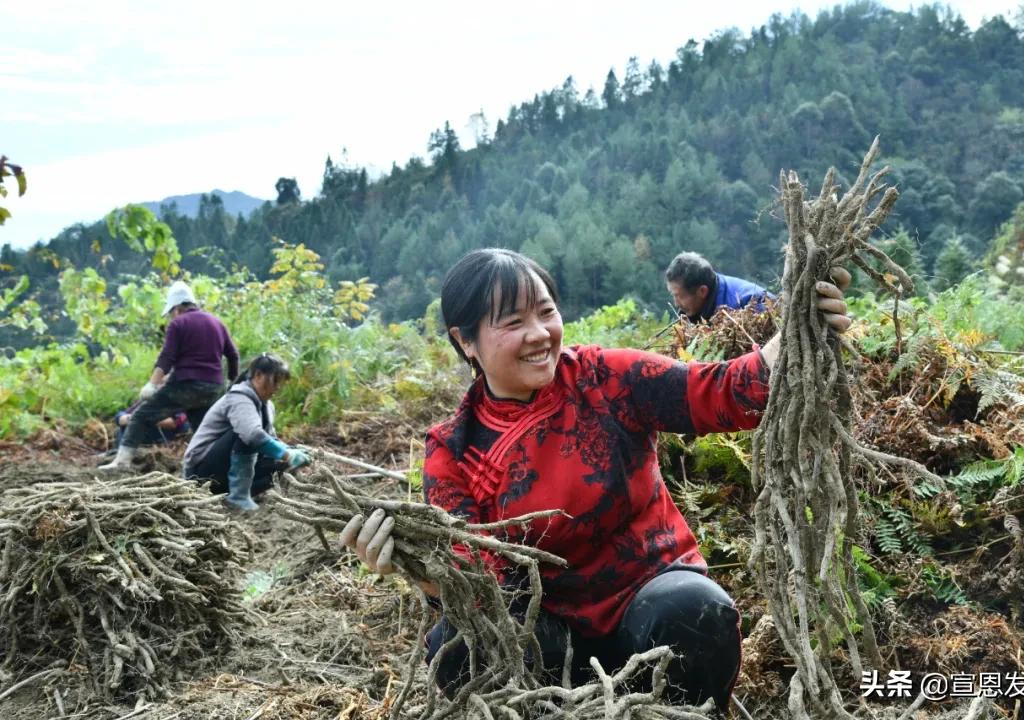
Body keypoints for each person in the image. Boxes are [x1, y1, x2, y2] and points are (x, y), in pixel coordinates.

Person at [341, 248, 852, 710]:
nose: (540, 334)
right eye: (514, 321)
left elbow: (718, 392)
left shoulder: (606, 378)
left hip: (649, 602)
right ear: (465, 340)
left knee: (694, 612)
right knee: (458, 645)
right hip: (550, 639)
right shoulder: (453, 450)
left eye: (546, 313)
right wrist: (421, 571)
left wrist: (800, 332)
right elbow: (475, 582)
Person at [100, 280, 239, 470]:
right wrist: (232, 383)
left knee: (141, 416)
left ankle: (122, 462)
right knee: (204, 430)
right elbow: (233, 355)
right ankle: (216, 467)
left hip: (185, 384)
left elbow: (167, 357)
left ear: (176, 308)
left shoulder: (178, 324)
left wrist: (152, 384)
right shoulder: (217, 323)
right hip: (213, 387)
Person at [182, 353, 311, 511]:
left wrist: (291, 452)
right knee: (248, 436)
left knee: (281, 461)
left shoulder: (267, 405)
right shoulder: (239, 398)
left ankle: (237, 496)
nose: (277, 387)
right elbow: (252, 435)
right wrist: (287, 454)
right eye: (275, 381)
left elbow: (270, 439)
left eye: (280, 383)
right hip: (200, 473)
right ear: (258, 376)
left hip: (224, 476)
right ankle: (238, 497)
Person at [665, 251, 776, 322]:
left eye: (679, 296)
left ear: (702, 291)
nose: (676, 303)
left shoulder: (755, 304)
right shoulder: (692, 309)